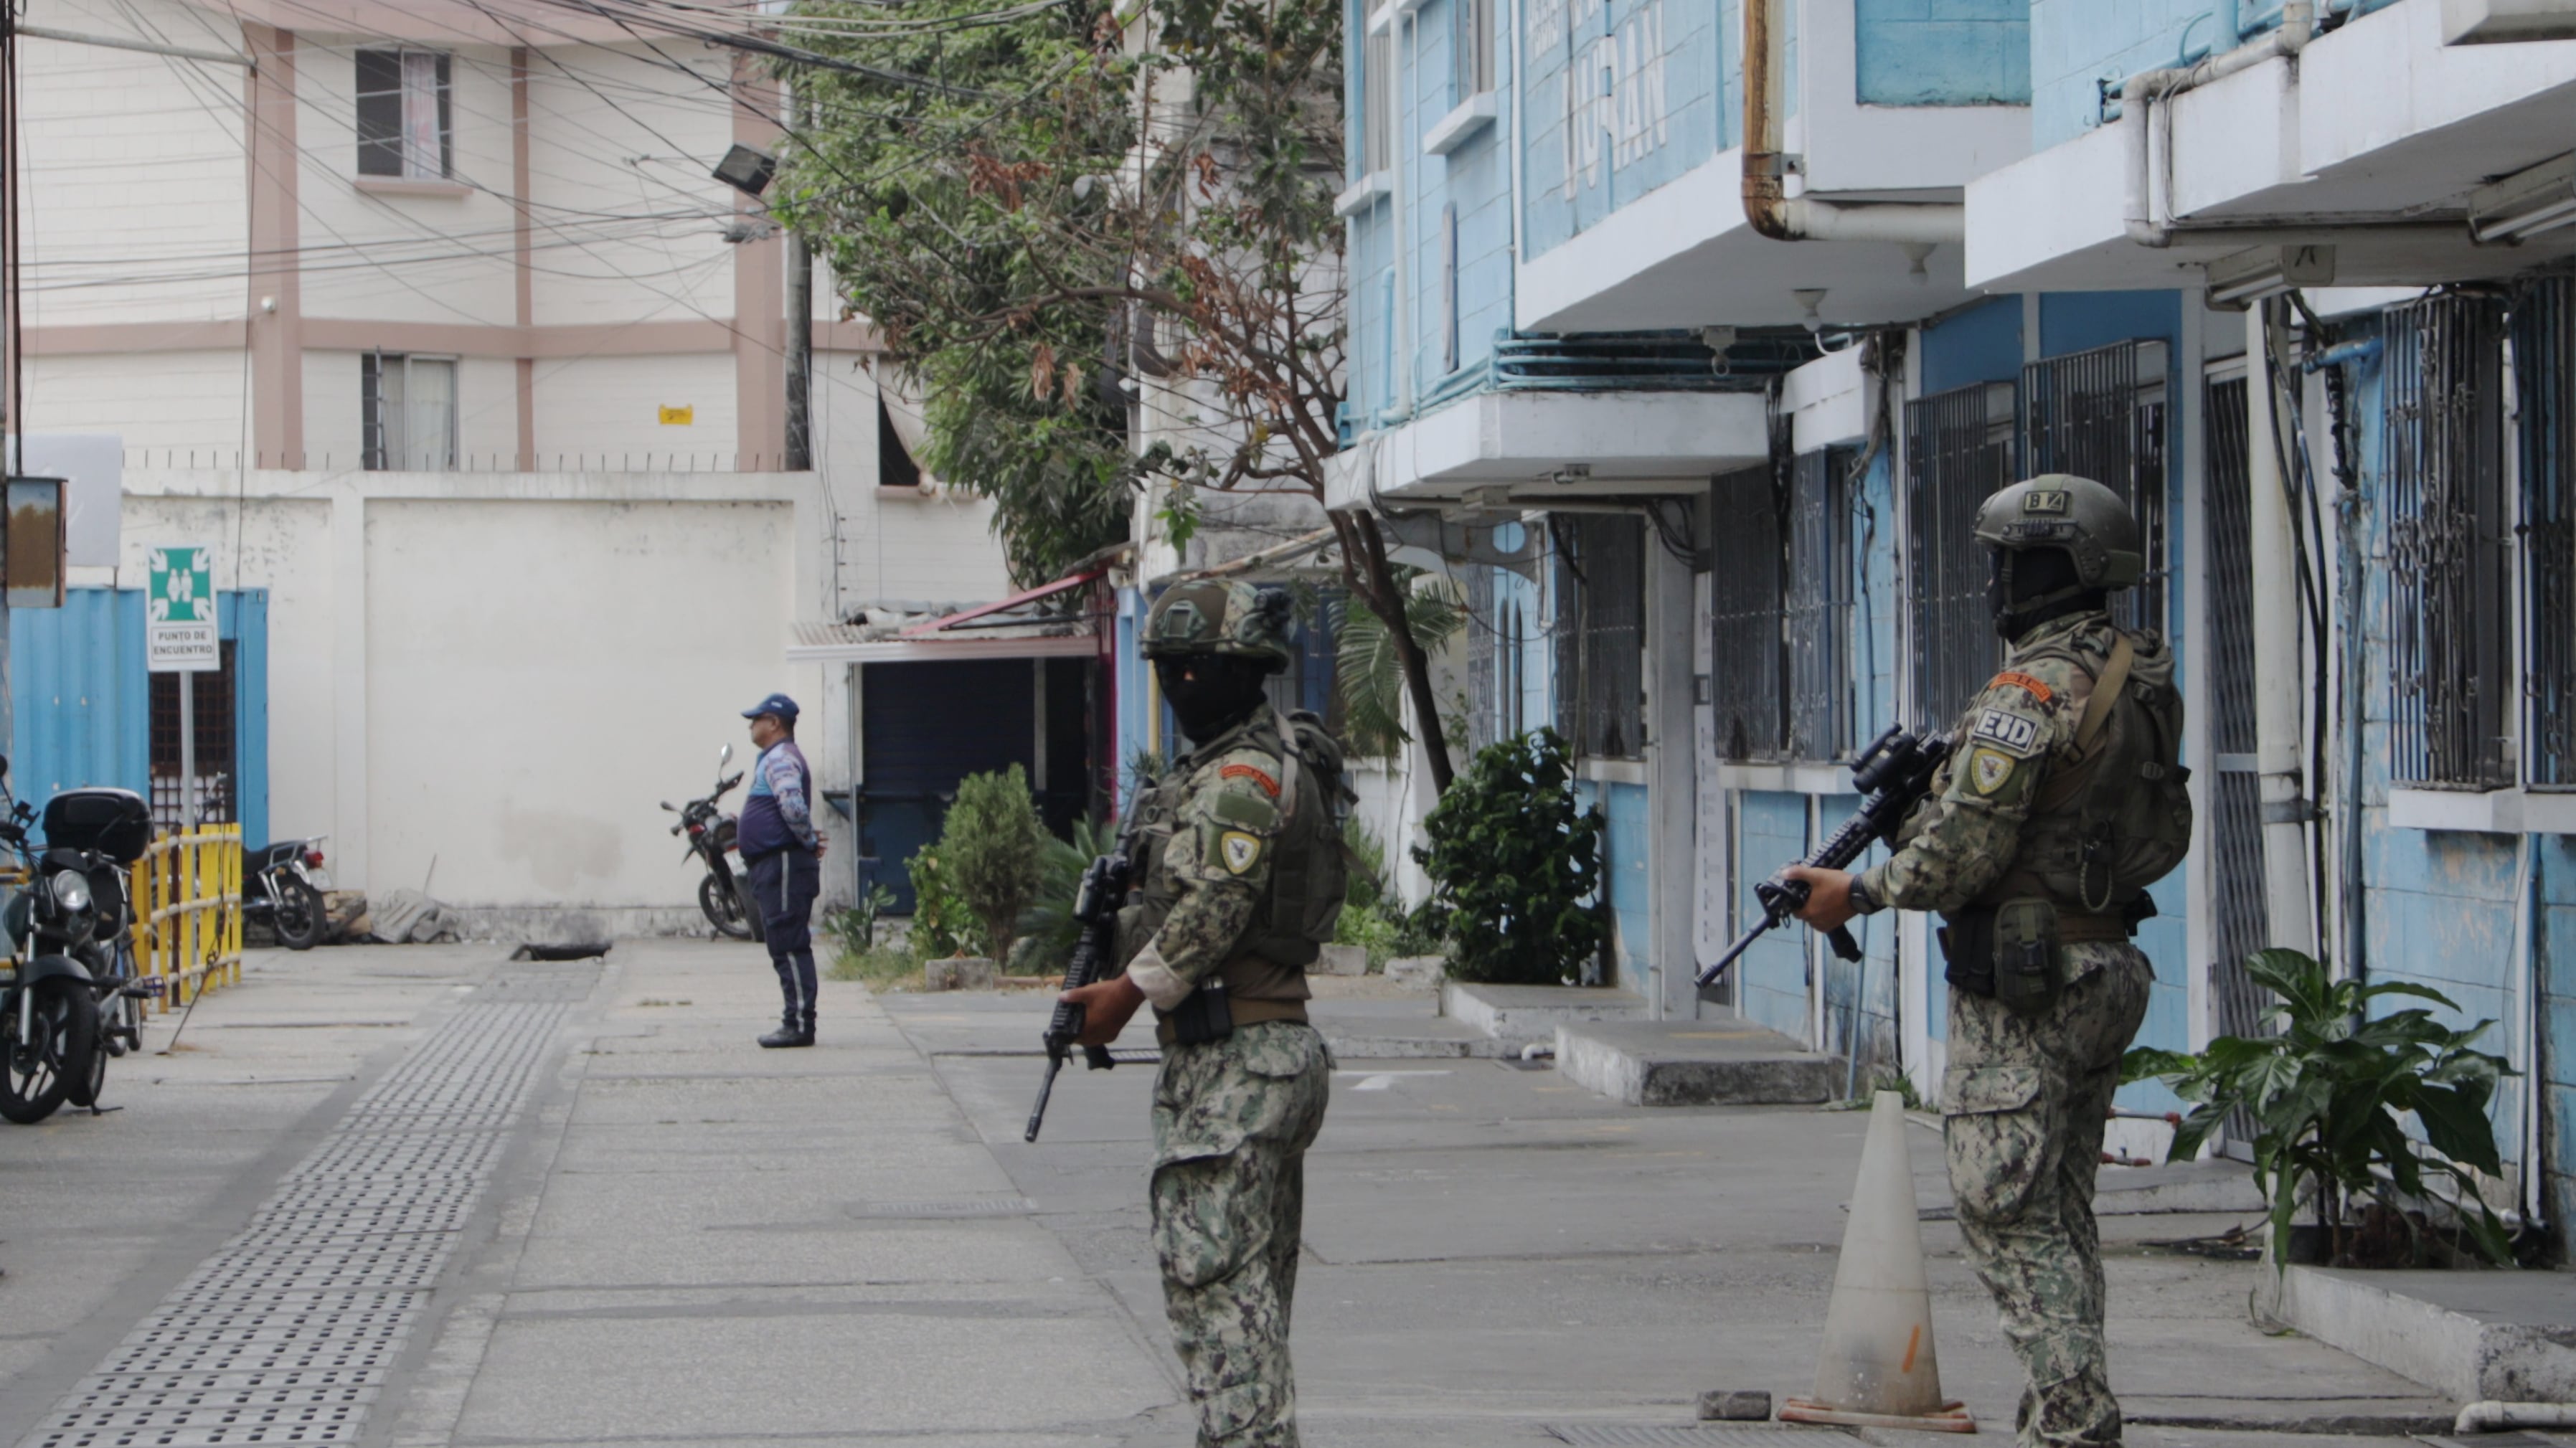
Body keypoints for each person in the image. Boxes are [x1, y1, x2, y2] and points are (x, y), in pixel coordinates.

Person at [1784, 474, 2192, 1448]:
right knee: (2056, 1205)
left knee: (2001, 1206)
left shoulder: (2028, 687)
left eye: (2009, 562)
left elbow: (1962, 847)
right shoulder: (2135, 673)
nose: (1995, 582)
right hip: (2103, 963)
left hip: (2027, 982)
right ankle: (2058, 1405)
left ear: (2053, 567)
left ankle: (2073, 1414)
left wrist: (1860, 891)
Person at [1057, 580, 1349, 1448]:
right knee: (1247, 1301)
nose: (1176, 686)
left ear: (1235, 672)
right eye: (1168, 670)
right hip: (1250, 1057)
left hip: (1241, 1058)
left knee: (1216, 1294)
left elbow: (1218, 905)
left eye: (1189, 669)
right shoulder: (1220, 769)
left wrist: (1124, 994)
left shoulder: (1244, 776)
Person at [740, 691, 825, 1049]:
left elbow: (792, 805)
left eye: (756, 718)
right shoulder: (774, 758)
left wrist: (805, 841)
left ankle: (799, 1024)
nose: (751, 724)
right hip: (774, 863)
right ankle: (795, 1020)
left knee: (789, 943)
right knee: (782, 942)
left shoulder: (780, 758)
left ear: (774, 723)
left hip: (784, 862)